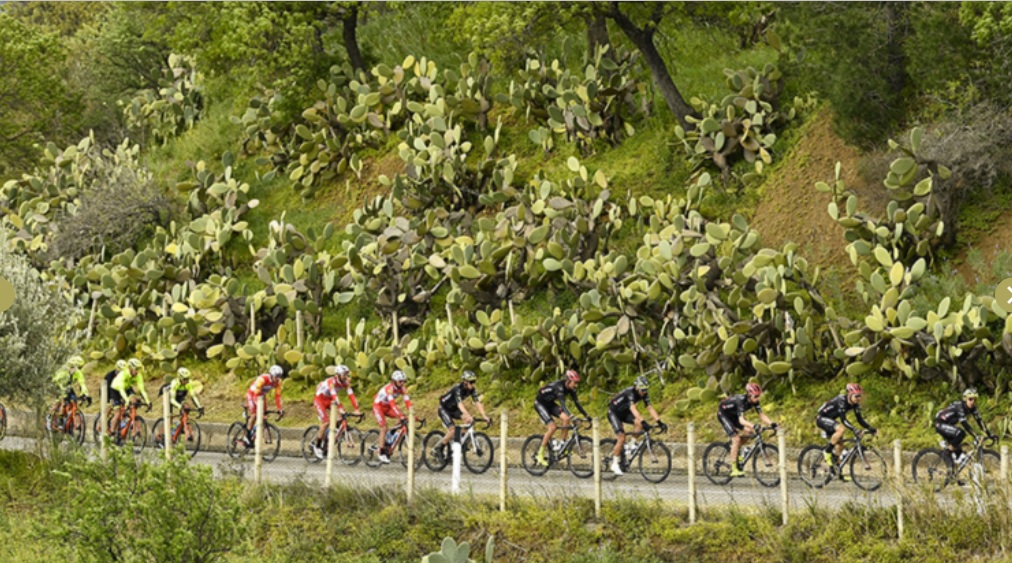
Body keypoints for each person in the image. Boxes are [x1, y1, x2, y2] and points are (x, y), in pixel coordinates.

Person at [816, 382, 876, 480]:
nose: (858, 398)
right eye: (856, 396)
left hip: (830, 420)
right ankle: (827, 451)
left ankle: (838, 473)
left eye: (859, 396)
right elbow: (843, 420)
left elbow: (860, 420)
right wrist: (855, 430)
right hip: (822, 418)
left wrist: (871, 429)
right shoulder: (841, 400)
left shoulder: (855, 404)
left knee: (840, 446)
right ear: (850, 394)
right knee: (841, 429)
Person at [607, 375, 665, 475]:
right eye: (642, 390)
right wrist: (643, 421)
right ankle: (614, 464)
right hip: (614, 412)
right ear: (637, 387)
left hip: (624, 412)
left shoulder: (643, 393)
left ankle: (631, 444)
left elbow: (650, 408)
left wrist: (659, 422)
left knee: (639, 424)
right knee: (621, 437)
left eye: (646, 390)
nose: (644, 392)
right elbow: (633, 409)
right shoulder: (631, 392)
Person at [717, 382, 777, 477]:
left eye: (759, 396)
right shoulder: (740, 401)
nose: (758, 398)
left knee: (748, 431)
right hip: (724, 414)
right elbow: (741, 420)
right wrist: (754, 426)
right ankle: (734, 469)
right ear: (749, 395)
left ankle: (737, 452)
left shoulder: (754, 401)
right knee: (736, 439)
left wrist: (772, 424)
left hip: (734, 415)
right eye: (756, 396)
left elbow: (761, 415)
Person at [534, 369, 590, 467]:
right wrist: (570, 415)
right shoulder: (559, 387)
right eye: (575, 383)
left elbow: (577, 404)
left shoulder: (571, 389)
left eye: (577, 383)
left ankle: (562, 446)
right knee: (552, 427)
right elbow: (563, 405)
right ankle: (540, 454)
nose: (576, 385)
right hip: (540, 404)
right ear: (568, 381)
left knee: (566, 419)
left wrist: (587, 416)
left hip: (550, 404)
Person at [431, 370, 489, 462]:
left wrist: (484, 416)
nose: (472, 384)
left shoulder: (472, 389)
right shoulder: (457, 389)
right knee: (452, 430)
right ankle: (439, 449)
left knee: (468, 422)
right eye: (471, 382)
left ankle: (458, 441)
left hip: (454, 409)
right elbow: (460, 404)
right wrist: (468, 414)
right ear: (465, 382)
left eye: (474, 382)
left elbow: (477, 402)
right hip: (444, 409)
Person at [935, 388, 995, 473]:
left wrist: (990, 434)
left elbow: (980, 422)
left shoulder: (973, 408)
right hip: (941, 424)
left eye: (974, 399)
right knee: (961, 433)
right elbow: (964, 424)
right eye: (970, 399)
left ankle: (953, 475)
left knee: (958, 451)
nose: (972, 401)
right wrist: (975, 435)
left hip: (949, 425)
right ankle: (947, 452)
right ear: (965, 399)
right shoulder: (960, 406)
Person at [311, 364, 362, 457]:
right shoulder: (332, 381)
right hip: (320, 400)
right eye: (344, 374)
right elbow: (335, 396)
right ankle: (317, 446)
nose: (346, 376)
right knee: (326, 422)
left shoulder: (346, 381)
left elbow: (351, 395)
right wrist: (340, 408)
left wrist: (357, 409)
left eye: (347, 374)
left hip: (330, 400)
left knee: (341, 417)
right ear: (338, 374)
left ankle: (329, 438)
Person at [372, 370, 413, 464]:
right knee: (384, 427)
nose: (402, 383)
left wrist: (412, 414)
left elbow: (408, 403)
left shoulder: (403, 388)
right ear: (394, 381)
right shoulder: (389, 389)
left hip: (387, 407)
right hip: (378, 406)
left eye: (403, 381)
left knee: (401, 418)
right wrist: (401, 415)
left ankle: (389, 436)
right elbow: (393, 405)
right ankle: (381, 453)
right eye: (400, 381)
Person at [243, 365, 286, 445]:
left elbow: (277, 396)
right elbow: (256, 395)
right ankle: (247, 435)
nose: (278, 378)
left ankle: (255, 435)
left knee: (264, 415)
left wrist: (280, 409)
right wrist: (260, 412)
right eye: (276, 376)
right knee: (254, 414)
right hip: (252, 394)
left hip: (262, 396)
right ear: (271, 375)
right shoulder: (262, 379)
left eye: (280, 376)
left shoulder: (278, 382)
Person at [110, 358, 150, 435]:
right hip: (116, 389)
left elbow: (142, 390)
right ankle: (111, 432)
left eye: (139, 369)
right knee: (117, 414)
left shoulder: (138, 375)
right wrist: (127, 400)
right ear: (130, 368)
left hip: (127, 388)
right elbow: (121, 390)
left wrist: (148, 401)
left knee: (134, 401)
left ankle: (133, 422)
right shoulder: (123, 374)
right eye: (136, 369)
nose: (137, 371)